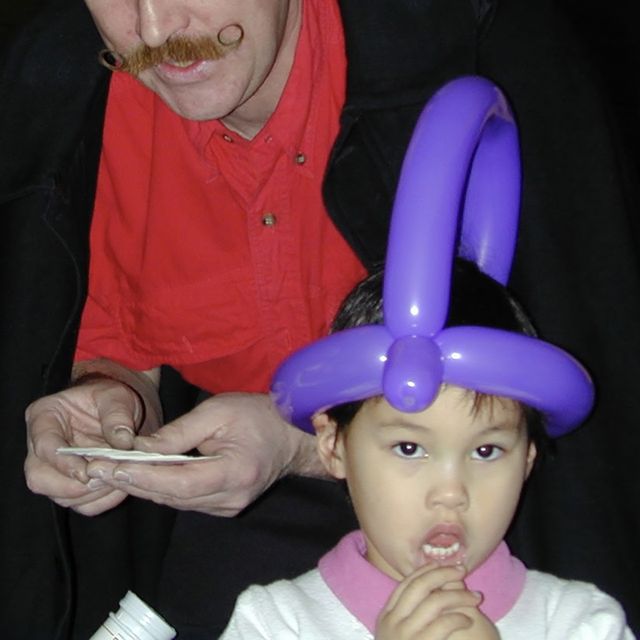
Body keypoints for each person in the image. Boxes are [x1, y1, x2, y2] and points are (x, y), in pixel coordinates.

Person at [0, 0, 638, 637]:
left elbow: (568, 434)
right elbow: (118, 336)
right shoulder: (78, 95)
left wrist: (303, 444)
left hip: (479, 520)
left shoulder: (480, 50)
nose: (155, 30)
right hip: (235, 527)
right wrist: (109, 396)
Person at [221, 261, 634, 639]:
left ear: (528, 459)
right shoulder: (275, 623)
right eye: (409, 447)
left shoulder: (581, 622)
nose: (451, 493)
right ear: (334, 445)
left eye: (486, 451)